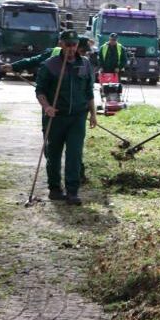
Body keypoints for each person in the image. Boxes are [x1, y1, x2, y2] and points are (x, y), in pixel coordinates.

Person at [34, 30, 97, 206]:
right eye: (67, 44)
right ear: (61, 44)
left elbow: (89, 91)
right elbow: (40, 91)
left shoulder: (85, 64)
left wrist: (93, 114)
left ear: (77, 45)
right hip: (56, 117)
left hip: (77, 117)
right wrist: (47, 107)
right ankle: (54, 189)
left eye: (74, 45)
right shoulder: (49, 65)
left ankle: (72, 191)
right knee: (53, 154)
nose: (71, 48)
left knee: (74, 154)